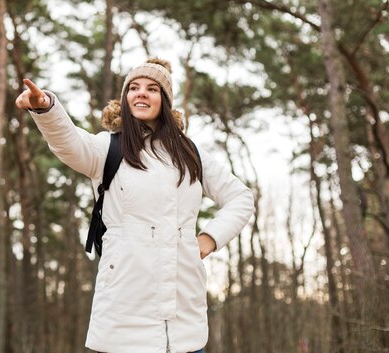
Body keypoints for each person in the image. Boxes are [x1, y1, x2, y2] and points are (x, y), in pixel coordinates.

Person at [15, 58, 254, 353]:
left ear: (164, 101)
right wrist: (46, 107)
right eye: (134, 88)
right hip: (123, 317)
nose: (142, 93)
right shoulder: (108, 148)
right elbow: (69, 142)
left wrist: (208, 239)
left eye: (152, 88)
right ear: (125, 98)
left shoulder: (191, 153)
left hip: (184, 324)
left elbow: (241, 197)